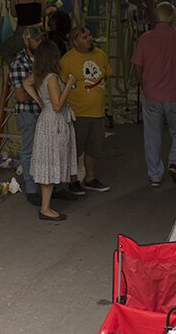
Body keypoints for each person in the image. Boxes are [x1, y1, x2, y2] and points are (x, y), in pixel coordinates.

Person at [9, 26, 77, 207]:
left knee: (50, 155)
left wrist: (41, 99)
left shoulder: (42, 71)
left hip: (45, 115)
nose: (38, 43)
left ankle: (54, 189)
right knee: (36, 152)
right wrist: (65, 87)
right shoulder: (21, 64)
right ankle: (33, 190)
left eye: (41, 40)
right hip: (35, 114)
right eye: (36, 40)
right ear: (26, 40)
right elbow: (24, 95)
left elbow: (28, 82)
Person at [131, 2, 176, 187]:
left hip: (152, 94)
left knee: (152, 134)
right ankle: (175, 162)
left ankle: (155, 175)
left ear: (156, 17)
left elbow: (137, 66)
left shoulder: (145, 39)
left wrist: (144, 85)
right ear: (173, 18)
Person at [23, 41, 78, 221]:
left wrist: (39, 100)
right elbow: (57, 105)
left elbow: (25, 83)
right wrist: (69, 84)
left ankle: (45, 206)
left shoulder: (40, 75)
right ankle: (45, 209)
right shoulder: (52, 77)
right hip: (53, 123)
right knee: (50, 162)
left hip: (45, 121)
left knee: (47, 162)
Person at [60, 26, 112, 193]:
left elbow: (106, 75)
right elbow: (60, 86)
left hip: (97, 113)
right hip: (77, 114)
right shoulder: (66, 60)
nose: (89, 38)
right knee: (75, 149)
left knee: (93, 148)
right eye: (84, 37)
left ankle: (91, 178)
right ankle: (73, 180)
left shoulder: (100, 55)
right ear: (75, 41)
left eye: (89, 35)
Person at [0, 0, 56, 64]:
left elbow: (14, 14)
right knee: (41, 55)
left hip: (22, 32)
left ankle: (18, 69)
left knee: (5, 50)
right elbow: (43, 13)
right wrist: (51, 9)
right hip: (37, 31)